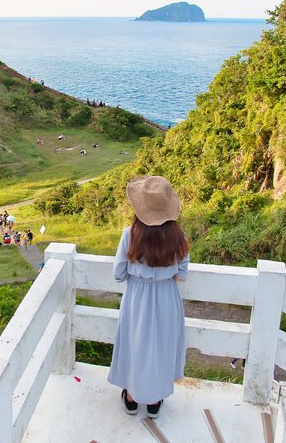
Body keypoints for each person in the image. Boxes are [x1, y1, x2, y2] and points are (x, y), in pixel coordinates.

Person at [107, 176, 189, 419]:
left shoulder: (129, 234)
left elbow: (118, 273)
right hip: (166, 296)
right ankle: (154, 401)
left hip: (137, 297)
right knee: (162, 346)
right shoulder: (178, 237)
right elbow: (182, 272)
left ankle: (132, 397)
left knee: (135, 344)